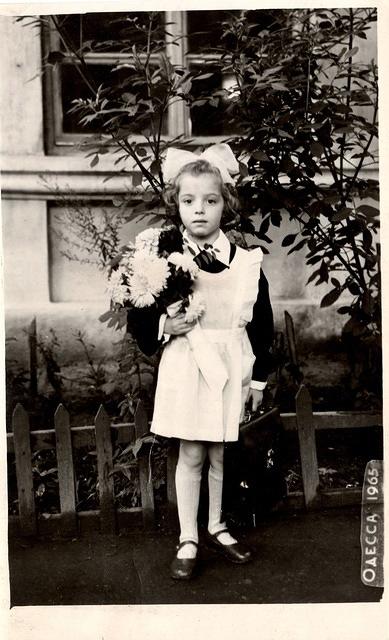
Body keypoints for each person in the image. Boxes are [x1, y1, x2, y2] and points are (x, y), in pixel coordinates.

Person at [128, 144, 274, 580]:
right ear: (176, 204)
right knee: (191, 451)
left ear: (225, 205)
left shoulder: (245, 261)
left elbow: (261, 325)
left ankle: (217, 525)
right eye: (189, 201)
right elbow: (140, 313)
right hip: (189, 363)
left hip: (230, 364)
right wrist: (162, 326)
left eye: (210, 201)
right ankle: (188, 536)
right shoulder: (163, 258)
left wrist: (258, 381)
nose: (199, 210)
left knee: (220, 453)